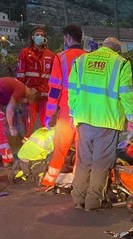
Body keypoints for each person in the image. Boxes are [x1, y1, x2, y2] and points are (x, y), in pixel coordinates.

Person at [67, 37, 133, 212]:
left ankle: (78, 199)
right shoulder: (121, 63)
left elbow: (72, 89)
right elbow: (126, 93)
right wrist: (132, 118)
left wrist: (72, 112)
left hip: (84, 118)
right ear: (116, 51)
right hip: (107, 120)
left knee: (84, 160)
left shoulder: (82, 60)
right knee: (101, 163)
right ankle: (93, 202)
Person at [37, 24, 87, 191]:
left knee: (60, 146)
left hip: (66, 109)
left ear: (67, 38)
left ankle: (49, 182)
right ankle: (78, 183)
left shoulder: (61, 57)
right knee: (82, 148)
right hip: (86, 110)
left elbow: (55, 88)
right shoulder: (90, 57)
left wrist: (49, 113)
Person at [16, 26, 55, 137]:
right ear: (32, 37)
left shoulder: (50, 55)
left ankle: (45, 150)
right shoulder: (25, 53)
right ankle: (26, 149)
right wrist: (22, 94)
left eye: (42, 35)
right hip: (29, 94)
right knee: (28, 125)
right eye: (37, 34)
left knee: (47, 124)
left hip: (44, 95)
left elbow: (53, 78)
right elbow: (20, 75)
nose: (40, 37)